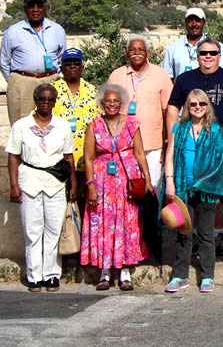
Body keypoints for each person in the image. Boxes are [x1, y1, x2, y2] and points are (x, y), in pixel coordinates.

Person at [166, 36, 223, 257]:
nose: (208, 57)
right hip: (190, 144)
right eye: (204, 53)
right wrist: (172, 134)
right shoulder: (184, 79)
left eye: (212, 53)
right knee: (191, 190)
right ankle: (191, 233)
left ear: (220, 56)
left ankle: (218, 233)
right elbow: (173, 108)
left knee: (218, 191)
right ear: (197, 56)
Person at [6, 83, 77, 292]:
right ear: (36, 100)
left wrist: (73, 183)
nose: (46, 103)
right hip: (29, 180)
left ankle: (52, 274)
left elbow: (68, 157)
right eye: (42, 99)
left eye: (50, 99)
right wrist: (13, 186)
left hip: (55, 182)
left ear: (55, 102)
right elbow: (13, 156)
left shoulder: (63, 126)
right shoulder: (21, 126)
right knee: (32, 230)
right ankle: (34, 275)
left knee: (54, 229)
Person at [106, 35, 173, 258]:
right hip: (123, 147)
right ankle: (129, 242)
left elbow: (167, 112)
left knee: (149, 192)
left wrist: (166, 142)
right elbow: (109, 109)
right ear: (127, 53)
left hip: (153, 145)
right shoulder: (117, 75)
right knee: (126, 196)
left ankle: (152, 242)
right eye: (132, 49)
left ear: (148, 53)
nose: (136, 52)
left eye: (141, 49)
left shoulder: (161, 76)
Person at [80, 84, 152, 291]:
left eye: (115, 101)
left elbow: (139, 153)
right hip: (103, 181)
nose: (112, 104)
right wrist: (91, 185)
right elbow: (89, 157)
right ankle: (104, 273)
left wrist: (146, 179)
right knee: (103, 224)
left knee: (126, 224)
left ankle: (125, 273)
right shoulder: (94, 124)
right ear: (102, 103)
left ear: (121, 102)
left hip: (127, 180)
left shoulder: (131, 123)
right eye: (108, 101)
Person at [162, 89, 223, 294]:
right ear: (187, 107)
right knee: (183, 232)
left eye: (202, 103)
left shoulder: (215, 130)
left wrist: (203, 182)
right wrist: (169, 182)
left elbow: (219, 161)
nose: (197, 107)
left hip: (206, 189)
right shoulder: (180, 128)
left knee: (206, 233)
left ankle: (207, 276)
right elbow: (169, 156)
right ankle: (180, 275)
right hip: (183, 186)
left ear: (207, 106)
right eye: (193, 104)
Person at [0, 0, 66, 124]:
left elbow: (62, 59)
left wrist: (54, 76)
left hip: (50, 80)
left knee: (52, 125)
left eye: (39, 5)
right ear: (25, 8)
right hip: (22, 83)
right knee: (21, 126)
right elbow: (4, 61)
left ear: (45, 8)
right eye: (31, 6)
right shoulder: (13, 31)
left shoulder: (57, 30)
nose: (35, 9)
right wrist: (16, 81)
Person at [51, 49, 97, 176]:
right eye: (68, 63)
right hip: (59, 159)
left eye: (76, 63)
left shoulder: (92, 91)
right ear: (61, 67)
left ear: (82, 67)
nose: (72, 66)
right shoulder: (51, 91)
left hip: (86, 159)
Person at [161, 8, 223, 78]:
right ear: (185, 23)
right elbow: (167, 78)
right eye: (190, 21)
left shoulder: (217, 47)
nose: (194, 24)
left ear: (204, 23)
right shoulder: (173, 48)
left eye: (197, 20)